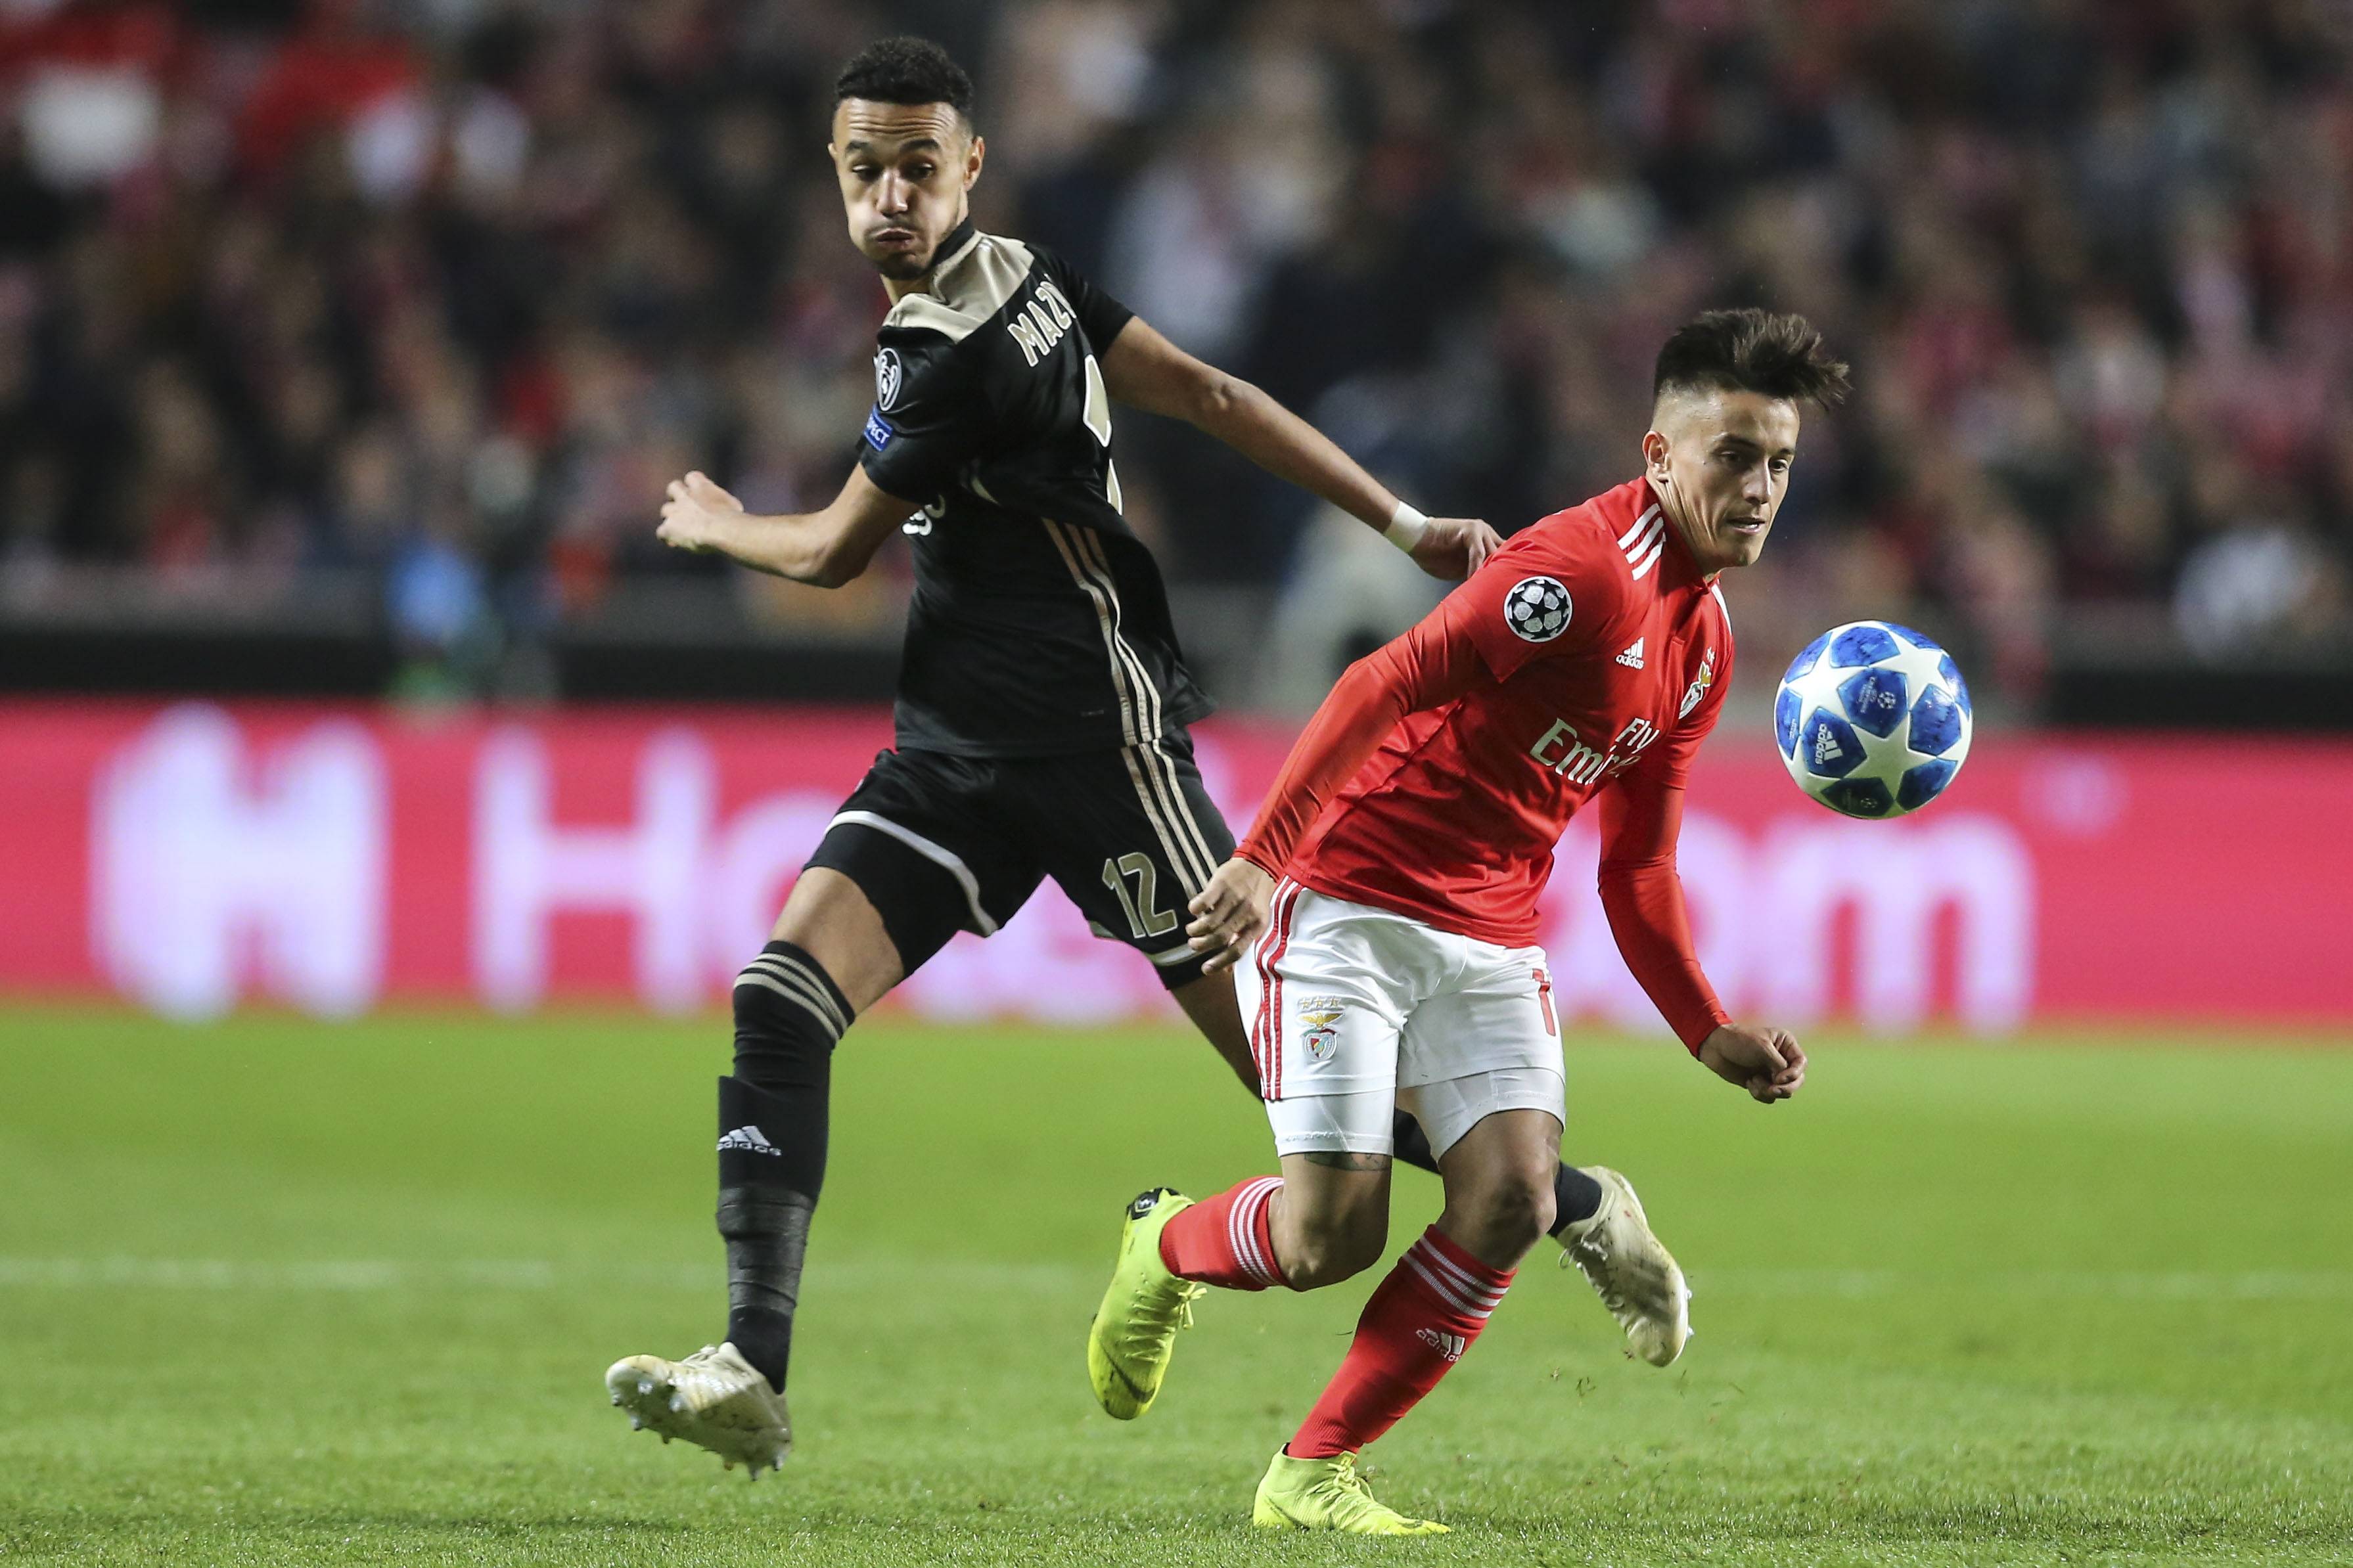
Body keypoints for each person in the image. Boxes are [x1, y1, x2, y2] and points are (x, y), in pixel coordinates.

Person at [603, 36, 1683, 1474]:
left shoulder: (948, 348)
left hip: (1103, 749)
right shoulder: (1028, 277)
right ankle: (752, 1366)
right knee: (780, 994)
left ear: (969, 165)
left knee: (1313, 1118)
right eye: (865, 170)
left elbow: (829, 554)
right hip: (953, 754)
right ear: (837, 175)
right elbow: (1210, 396)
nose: (891, 196)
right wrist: (1401, 521)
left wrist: (714, 521)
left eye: (919, 166)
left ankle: (1576, 1201)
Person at [1085, 308, 1844, 1534]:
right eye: (1734, 457)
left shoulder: (1702, 645)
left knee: (1511, 1200)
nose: (1759, 489)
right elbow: (1382, 678)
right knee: (1328, 1239)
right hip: (1350, 902)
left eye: (1779, 463)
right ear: (1659, 456)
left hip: (1491, 932)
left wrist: (1706, 1029)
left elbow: (1639, 861)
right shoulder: (1578, 573)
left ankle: (1312, 1473)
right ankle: (1166, 1243)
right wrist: (1265, 858)